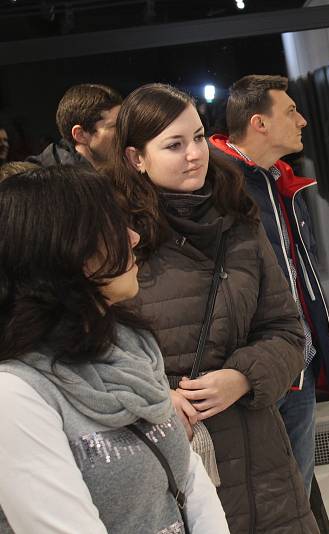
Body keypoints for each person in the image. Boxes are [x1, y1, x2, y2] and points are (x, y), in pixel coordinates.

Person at [110, 83, 318, 534]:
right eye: (174, 144)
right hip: (168, 454)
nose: (194, 154)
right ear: (135, 158)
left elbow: (286, 330)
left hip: (259, 453)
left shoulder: (239, 217)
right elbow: (90, 349)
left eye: (200, 137)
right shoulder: (110, 239)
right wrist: (155, 398)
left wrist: (243, 376)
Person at [0, 166, 229, 533]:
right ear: (67, 250)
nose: (134, 237)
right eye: (112, 228)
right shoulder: (16, 394)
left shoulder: (130, 348)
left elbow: (188, 480)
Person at [210, 74, 329, 496]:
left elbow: (305, 280)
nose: (303, 121)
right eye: (291, 111)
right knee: (254, 499)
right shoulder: (215, 186)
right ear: (259, 123)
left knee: (297, 492)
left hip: (298, 365)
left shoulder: (279, 182)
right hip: (247, 376)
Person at [27, 83, 121, 168]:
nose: (125, 132)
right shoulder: (42, 184)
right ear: (80, 135)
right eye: (115, 127)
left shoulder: (122, 169)